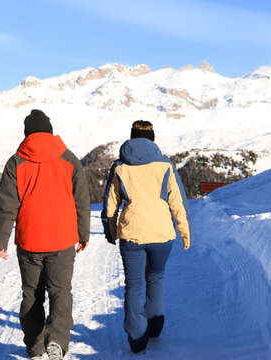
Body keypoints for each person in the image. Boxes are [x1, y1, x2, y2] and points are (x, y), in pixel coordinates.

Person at [0, 109, 90, 360]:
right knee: (60, 292)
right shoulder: (69, 158)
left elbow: (7, 205)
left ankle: (35, 349)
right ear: (50, 130)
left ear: (27, 134)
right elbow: (81, 200)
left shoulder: (16, 161)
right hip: (62, 239)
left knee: (31, 294)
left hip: (29, 240)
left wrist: (0, 240)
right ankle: (57, 341)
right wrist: (84, 234)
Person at [102, 120, 191, 354]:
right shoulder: (166, 166)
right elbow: (178, 203)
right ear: (153, 138)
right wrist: (184, 233)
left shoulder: (120, 166)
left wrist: (110, 231)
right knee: (156, 277)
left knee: (134, 285)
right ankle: (155, 326)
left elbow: (110, 205)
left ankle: (137, 337)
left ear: (131, 137)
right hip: (162, 234)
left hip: (132, 235)